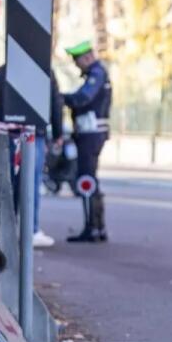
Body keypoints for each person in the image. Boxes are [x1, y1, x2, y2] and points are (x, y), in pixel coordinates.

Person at [0, 65, 63, 248]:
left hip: (8, 133)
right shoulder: (45, 70)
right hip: (34, 133)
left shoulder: (2, 71)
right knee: (31, 183)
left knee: (8, 182)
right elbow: (55, 103)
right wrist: (58, 132)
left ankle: (7, 228)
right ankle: (32, 229)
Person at [63, 41, 112, 243]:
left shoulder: (96, 74)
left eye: (77, 61)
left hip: (90, 135)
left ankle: (92, 228)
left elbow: (83, 98)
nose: (77, 66)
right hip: (92, 134)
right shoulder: (97, 73)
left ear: (87, 57)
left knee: (86, 180)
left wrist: (61, 98)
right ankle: (97, 227)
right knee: (90, 179)